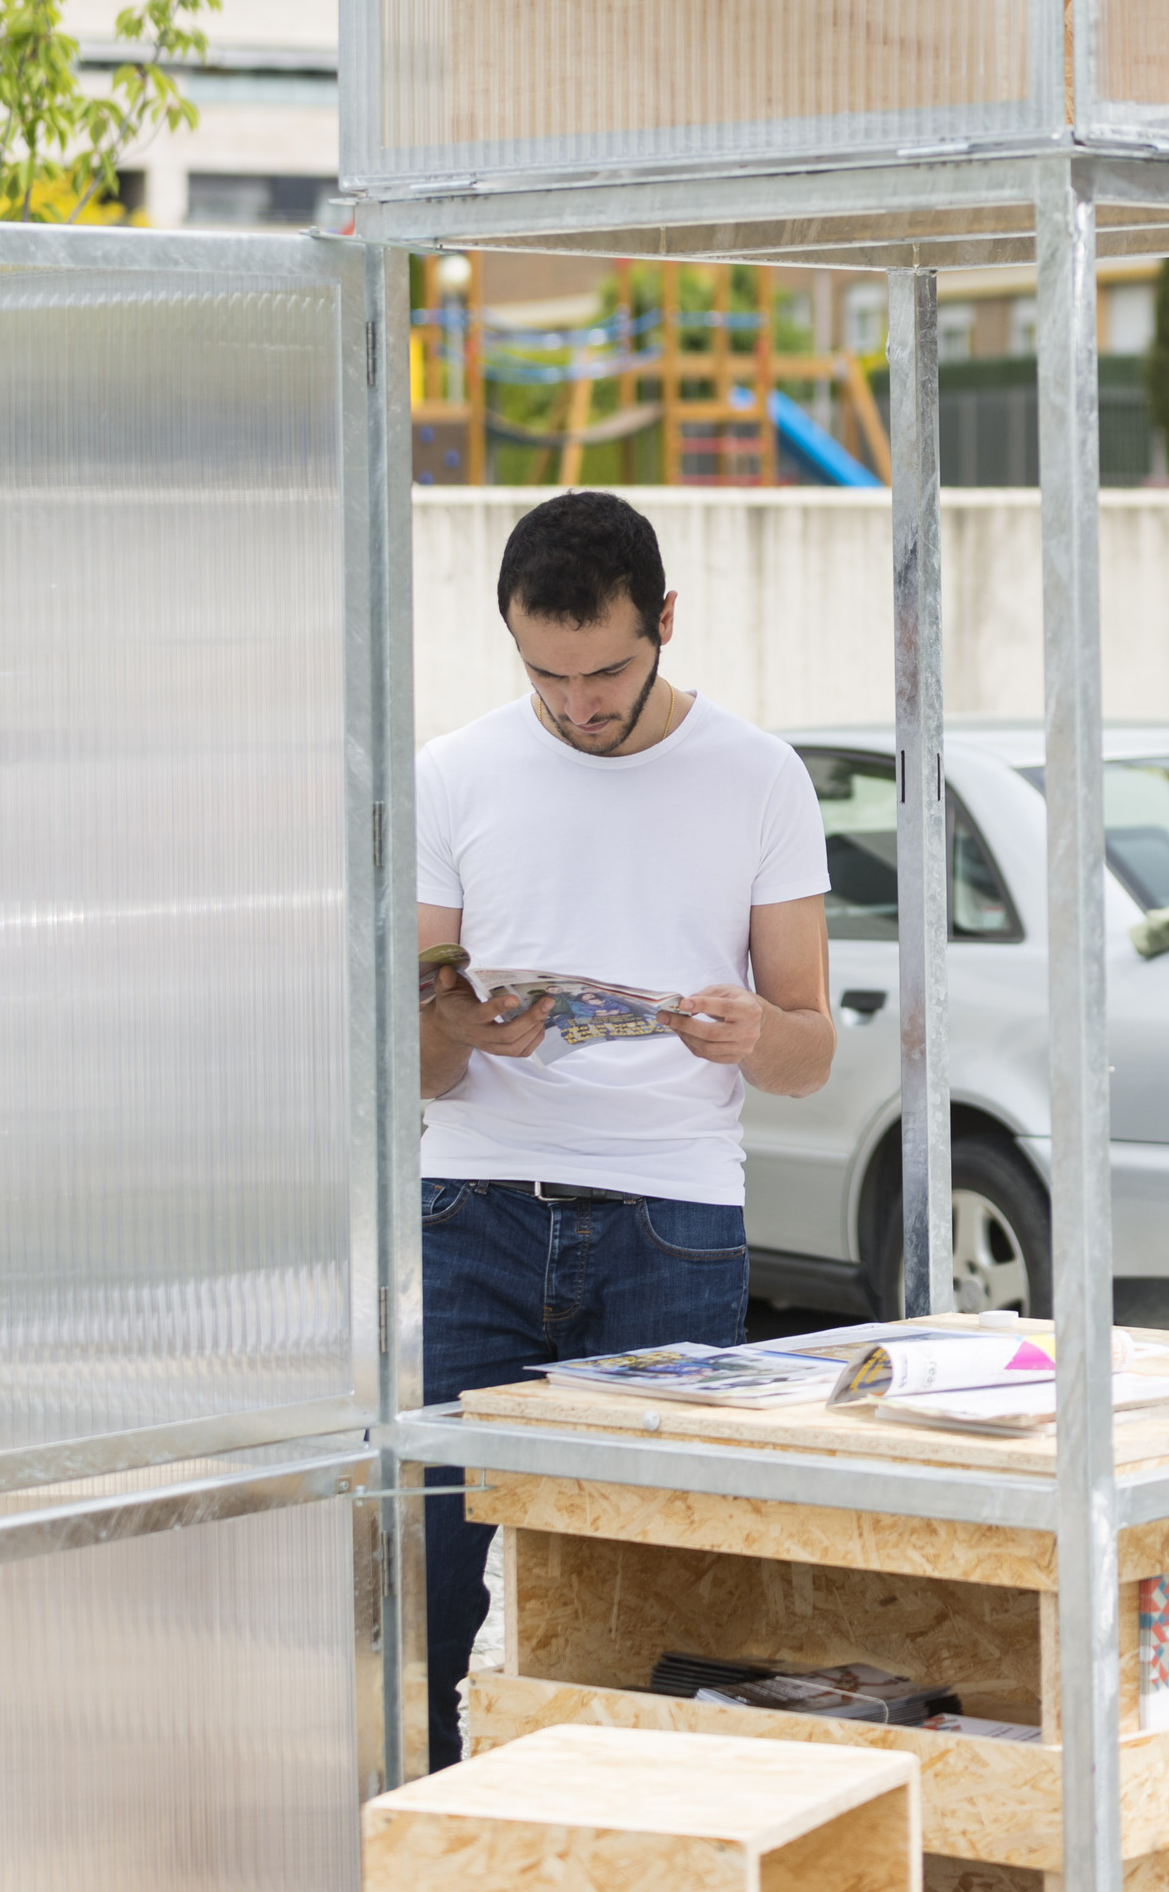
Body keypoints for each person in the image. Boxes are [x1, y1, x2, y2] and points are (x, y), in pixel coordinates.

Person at [415, 489, 835, 1766]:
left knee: (652, 1589)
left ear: (665, 620)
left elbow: (811, 1051)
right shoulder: (453, 771)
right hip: (472, 1206)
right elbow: (414, 1065)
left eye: (604, 670)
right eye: (544, 672)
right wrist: (460, 1028)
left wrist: (750, 1032)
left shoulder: (758, 775)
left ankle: (641, 1827)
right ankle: (441, 1820)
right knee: (435, 1586)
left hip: (672, 1220)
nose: (577, 703)